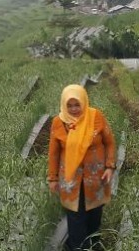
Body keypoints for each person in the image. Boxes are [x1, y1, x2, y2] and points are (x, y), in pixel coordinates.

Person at [48, 84, 116, 251]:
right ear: (64, 105)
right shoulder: (58, 122)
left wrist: (109, 167)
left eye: (77, 104)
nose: (73, 109)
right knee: (75, 218)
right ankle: (78, 247)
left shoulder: (95, 117)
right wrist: (53, 178)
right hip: (71, 181)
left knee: (94, 216)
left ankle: (94, 245)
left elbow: (109, 143)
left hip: (96, 178)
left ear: (84, 102)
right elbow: (54, 153)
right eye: (69, 105)